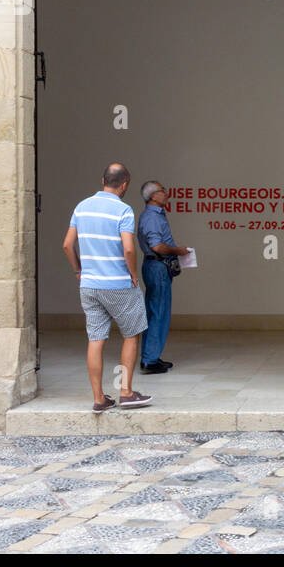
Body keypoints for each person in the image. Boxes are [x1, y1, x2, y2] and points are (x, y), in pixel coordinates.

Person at [61, 163, 153, 413]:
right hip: (118, 284)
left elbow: (68, 245)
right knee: (132, 334)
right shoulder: (123, 210)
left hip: (89, 285)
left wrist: (79, 271)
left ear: (103, 180)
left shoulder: (82, 207)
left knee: (95, 338)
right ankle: (126, 392)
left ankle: (99, 398)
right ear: (124, 185)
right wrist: (133, 274)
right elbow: (129, 248)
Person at [137, 180, 192, 374]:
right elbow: (157, 246)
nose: (167, 193)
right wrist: (180, 251)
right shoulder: (152, 217)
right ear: (153, 195)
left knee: (155, 312)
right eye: (163, 190)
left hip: (157, 266)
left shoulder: (156, 215)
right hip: (157, 266)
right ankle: (150, 360)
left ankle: (150, 356)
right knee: (158, 313)